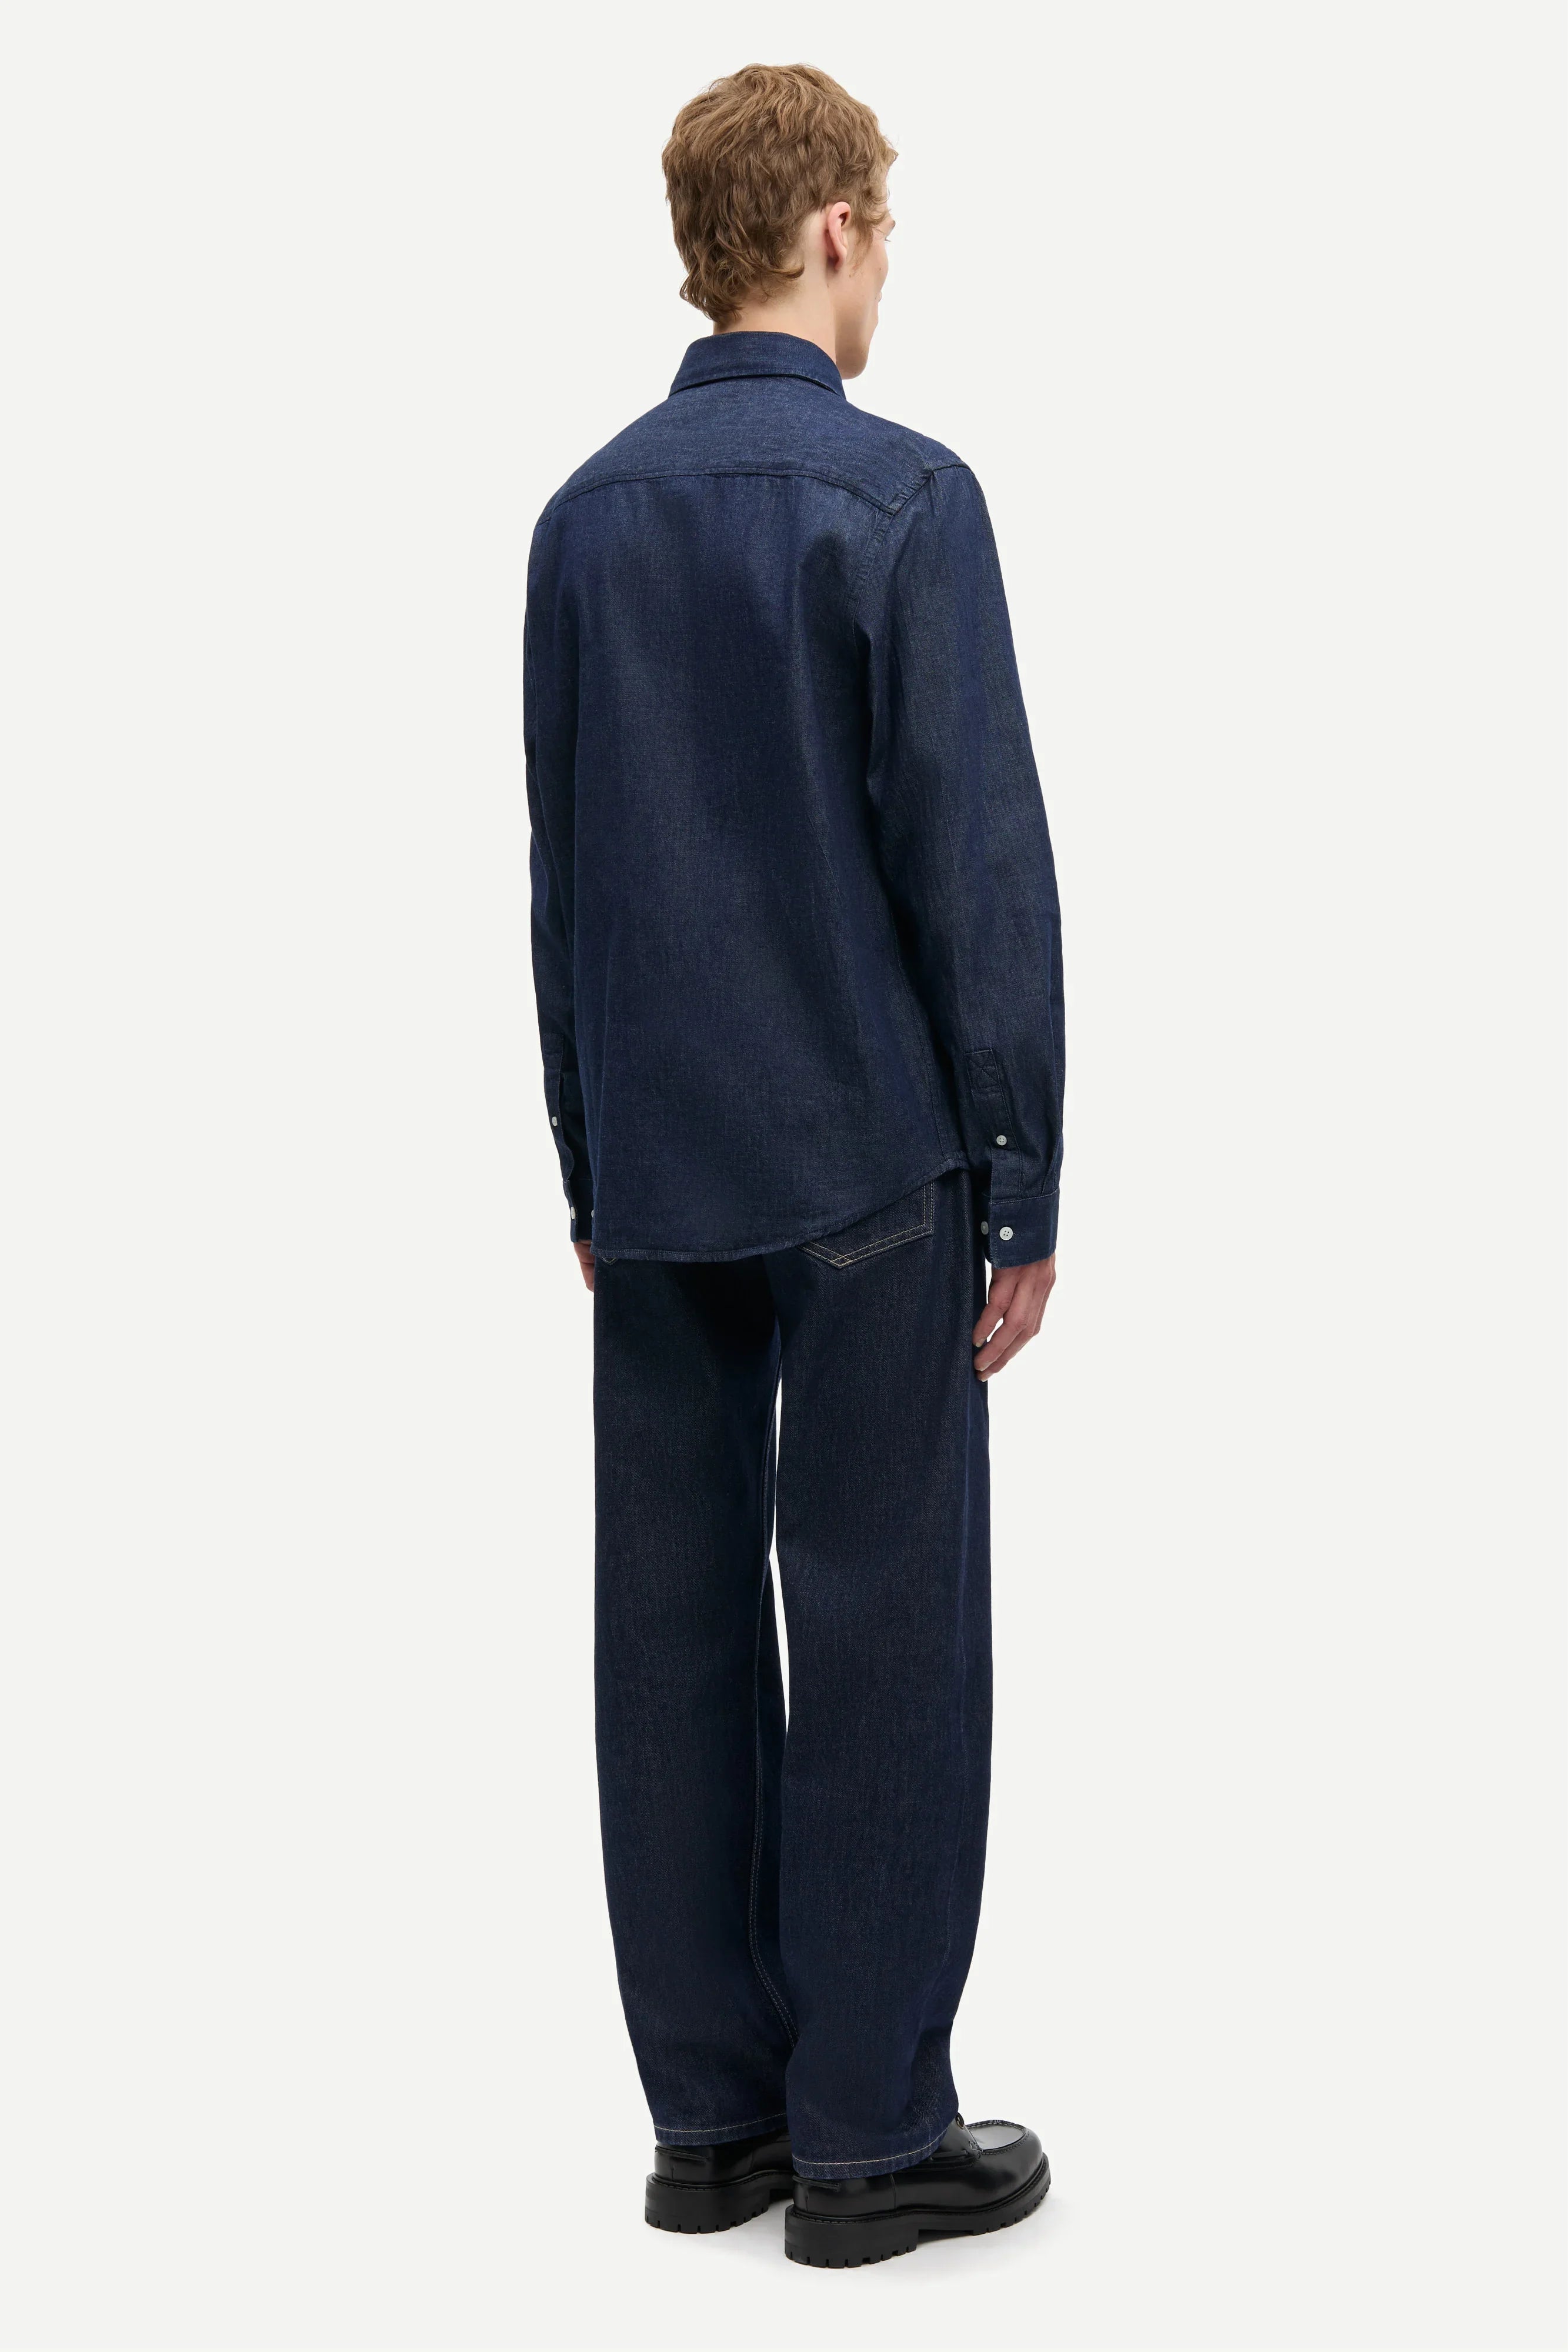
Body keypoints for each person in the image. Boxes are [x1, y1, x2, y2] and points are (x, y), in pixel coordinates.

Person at [525, 62, 1063, 2269]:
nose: (885, 268)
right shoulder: (902, 499)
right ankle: (864, 2138)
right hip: (864, 1159)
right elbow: (973, 867)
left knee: (663, 1629)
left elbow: (563, 872)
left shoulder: (581, 520)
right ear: (833, 226)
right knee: (881, 1633)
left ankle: (709, 2124)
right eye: (885, 230)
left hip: (656, 1164)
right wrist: (1017, 1181)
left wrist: (586, 1159)